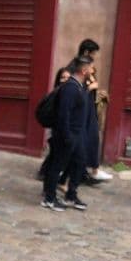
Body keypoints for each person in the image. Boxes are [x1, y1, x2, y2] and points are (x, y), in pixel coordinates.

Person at [41, 55, 93, 211]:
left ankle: (71, 195)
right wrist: (66, 135)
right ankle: (49, 198)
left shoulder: (79, 86)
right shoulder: (70, 88)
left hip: (76, 136)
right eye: (90, 68)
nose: (92, 70)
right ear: (84, 70)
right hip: (66, 135)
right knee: (57, 166)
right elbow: (63, 114)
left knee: (79, 163)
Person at [77, 38, 113, 185]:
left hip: (89, 108)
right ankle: (87, 171)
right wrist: (90, 88)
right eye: (94, 54)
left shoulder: (90, 68)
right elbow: (75, 89)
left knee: (92, 138)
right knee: (83, 139)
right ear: (87, 52)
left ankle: (92, 170)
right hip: (82, 110)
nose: (95, 58)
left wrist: (98, 93)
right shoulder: (77, 67)